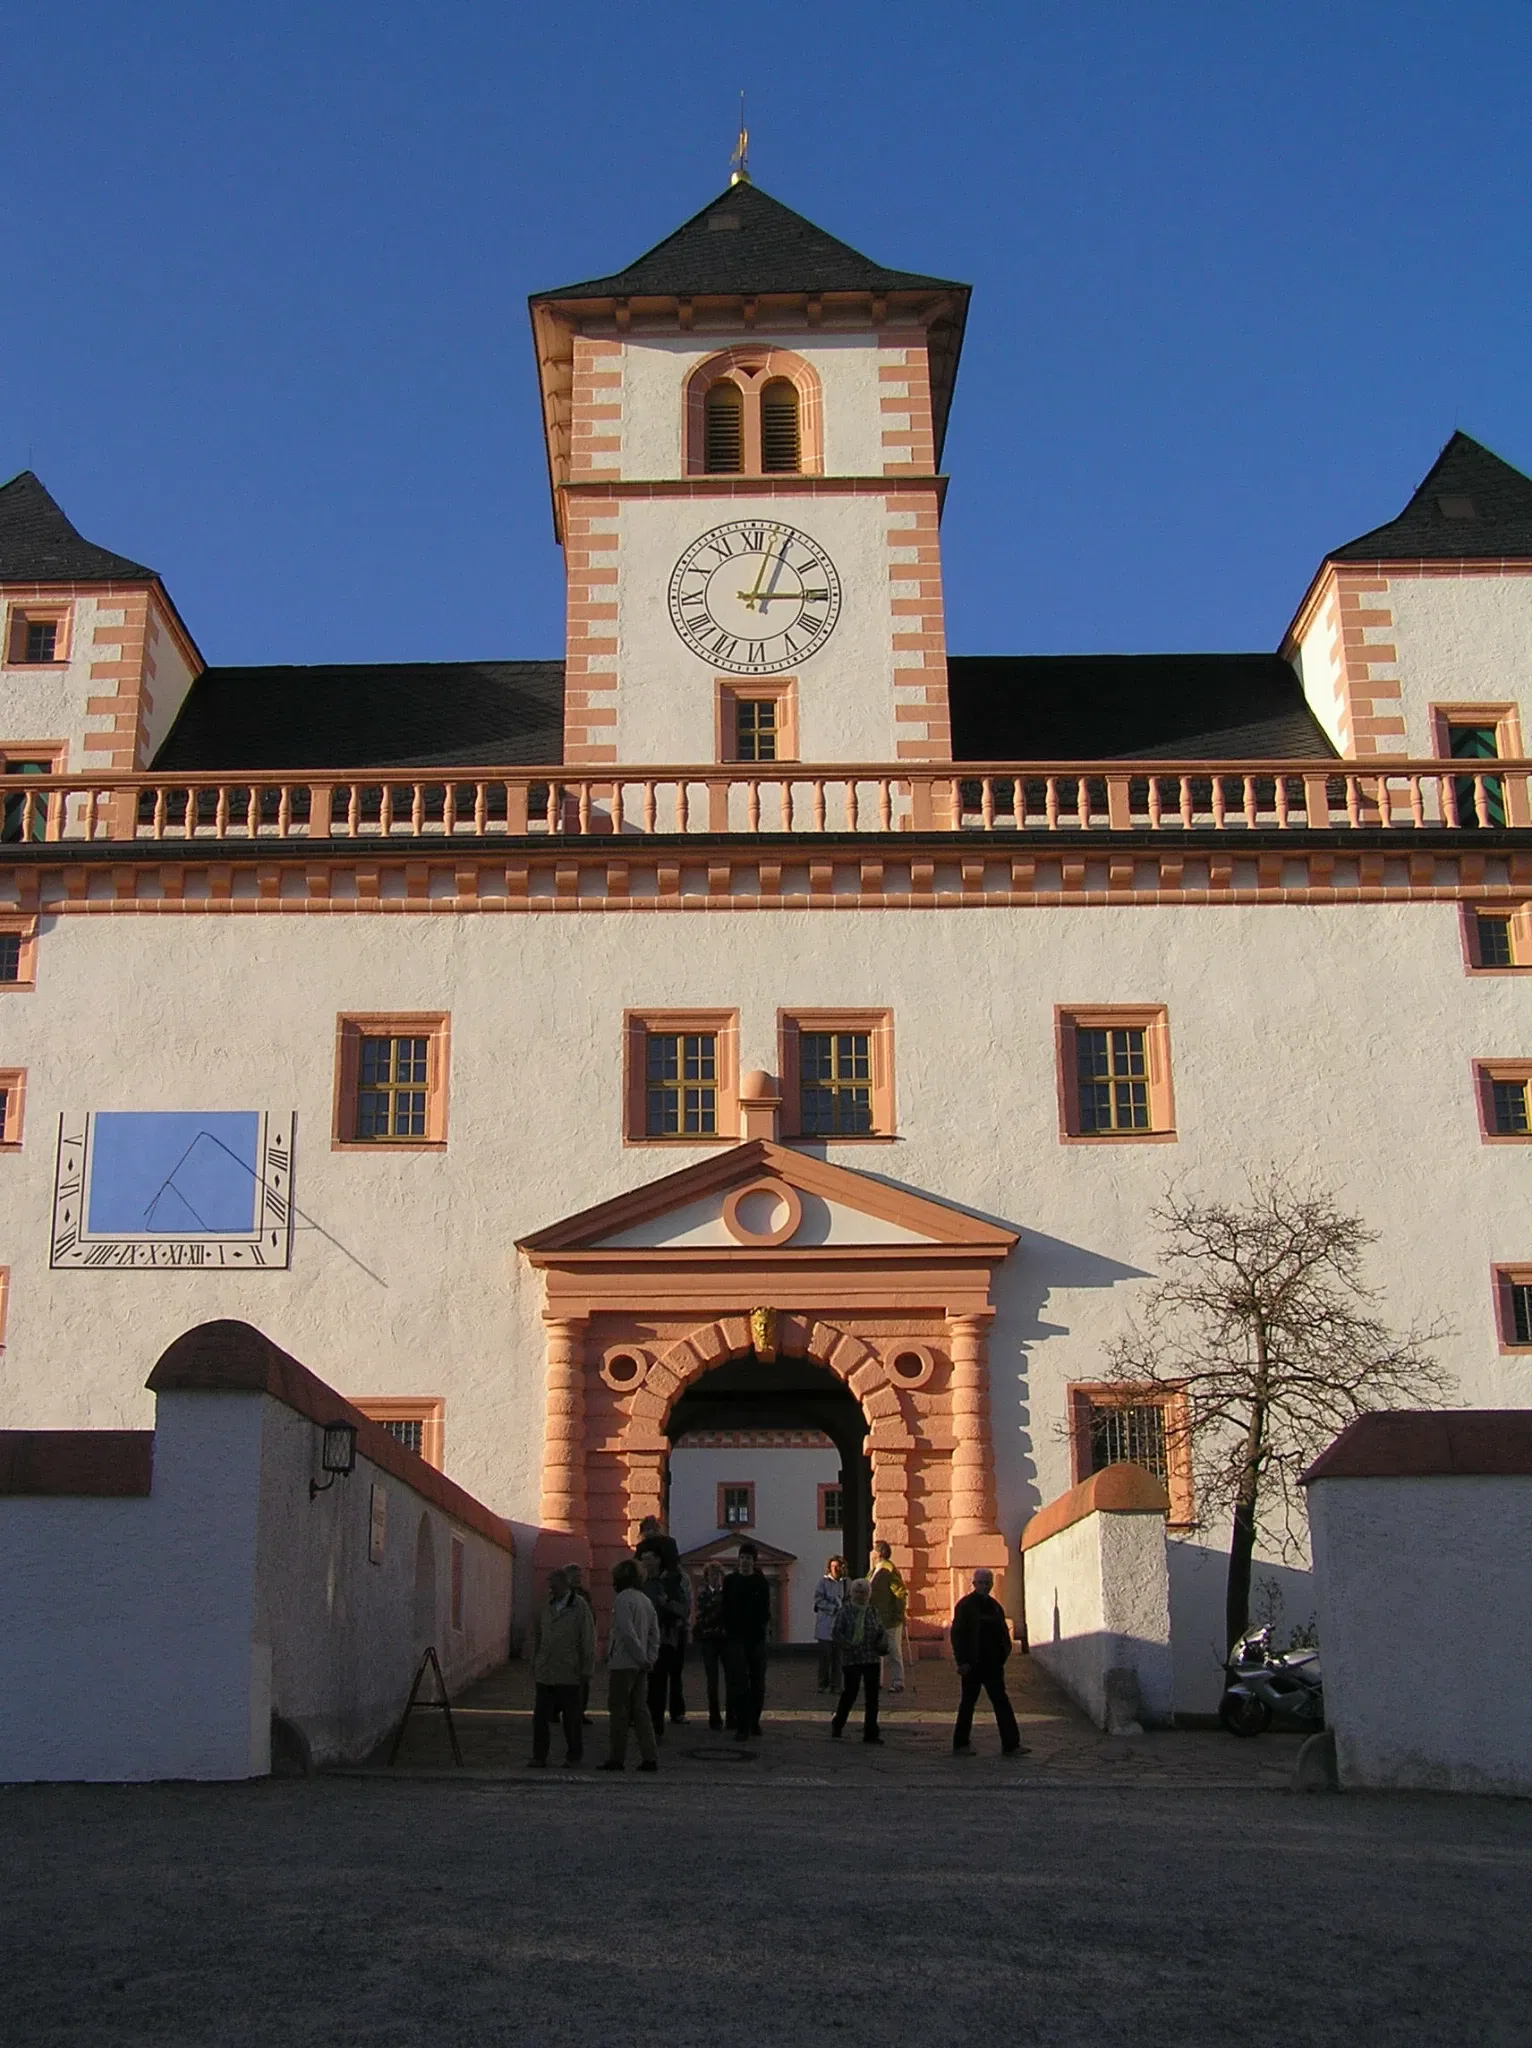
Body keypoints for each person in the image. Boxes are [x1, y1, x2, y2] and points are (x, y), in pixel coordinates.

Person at [949, 1567, 1025, 1757]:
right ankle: (960, 1744)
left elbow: (1003, 1635)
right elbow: (957, 1635)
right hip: (972, 1665)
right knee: (967, 1704)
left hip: (992, 1665)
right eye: (981, 1582)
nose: (984, 1586)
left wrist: (1003, 1656)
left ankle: (1011, 1745)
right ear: (974, 1584)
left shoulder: (995, 1606)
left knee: (1001, 1703)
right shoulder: (965, 1606)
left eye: (987, 1582)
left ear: (991, 1584)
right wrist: (962, 1661)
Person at [527, 1567, 595, 1767]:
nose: (552, 1591)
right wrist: (535, 1660)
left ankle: (574, 1755)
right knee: (540, 1716)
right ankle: (539, 1755)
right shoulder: (546, 1606)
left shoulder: (580, 1607)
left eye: (555, 1587)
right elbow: (539, 1635)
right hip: (546, 1670)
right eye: (550, 1587)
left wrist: (586, 1668)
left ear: (566, 1586)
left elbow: (587, 1639)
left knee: (571, 1718)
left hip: (569, 1670)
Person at [601, 1558, 660, 1772]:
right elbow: (654, 1633)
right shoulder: (645, 1600)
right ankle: (650, 1755)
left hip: (623, 1663)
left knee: (619, 1711)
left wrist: (640, 1657)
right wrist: (649, 1658)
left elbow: (627, 1632)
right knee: (640, 1710)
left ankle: (617, 1757)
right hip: (641, 1664)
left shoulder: (622, 1600)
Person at [720, 1539, 772, 1740]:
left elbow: (765, 1609)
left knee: (758, 1682)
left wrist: (761, 1626)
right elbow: (724, 1607)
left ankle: (754, 1721)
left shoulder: (761, 1582)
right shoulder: (730, 1581)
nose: (744, 1562)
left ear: (754, 1561)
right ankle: (742, 1725)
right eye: (742, 1558)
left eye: (748, 1558)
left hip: (756, 1637)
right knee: (739, 1682)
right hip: (735, 1637)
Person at [829, 1579, 890, 1743]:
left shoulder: (873, 1611)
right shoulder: (845, 1611)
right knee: (850, 1693)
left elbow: (881, 1630)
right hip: (852, 1658)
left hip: (871, 1657)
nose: (861, 1596)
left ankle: (871, 1732)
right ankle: (838, 1724)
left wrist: (883, 1641)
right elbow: (836, 1633)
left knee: (872, 1697)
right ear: (852, 1594)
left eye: (864, 1593)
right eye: (857, 1592)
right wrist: (847, 1646)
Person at [641, 1546, 692, 1735]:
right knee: (649, 1682)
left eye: (647, 1558)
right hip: (645, 1638)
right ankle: (647, 1721)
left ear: (657, 1560)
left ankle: (656, 1726)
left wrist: (667, 1604)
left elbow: (684, 1610)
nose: (644, 1562)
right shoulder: (643, 1582)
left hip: (665, 1638)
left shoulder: (672, 1581)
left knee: (659, 1681)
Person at [868, 1540, 910, 1693]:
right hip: (877, 1617)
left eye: (873, 1550)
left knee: (893, 1650)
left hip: (890, 1618)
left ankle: (898, 1681)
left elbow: (900, 1593)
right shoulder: (874, 1570)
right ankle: (876, 1680)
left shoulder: (889, 1569)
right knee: (876, 1651)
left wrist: (899, 1613)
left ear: (879, 1553)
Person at [692, 1560, 728, 1730]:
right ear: (707, 1578)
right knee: (712, 1680)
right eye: (713, 1575)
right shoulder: (703, 1595)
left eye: (718, 1575)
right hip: (710, 1641)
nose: (716, 1578)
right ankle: (714, 1716)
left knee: (730, 1678)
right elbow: (702, 1619)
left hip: (725, 1640)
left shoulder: (727, 1594)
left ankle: (731, 1714)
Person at [564, 1559, 595, 1725]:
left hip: (581, 1642)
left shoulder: (584, 1594)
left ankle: (579, 1711)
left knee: (583, 1680)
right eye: (574, 1576)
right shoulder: (560, 1595)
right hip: (565, 1643)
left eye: (579, 1576)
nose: (578, 1579)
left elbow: (591, 1616)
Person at [814, 1555, 847, 1692]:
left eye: (838, 1567)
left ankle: (837, 1684)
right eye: (833, 1567)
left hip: (840, 1627)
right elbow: (818, 1600)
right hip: (825, 1626)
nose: (836, 1570)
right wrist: (832, 1608)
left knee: (838, 1659)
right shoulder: (823, 1583)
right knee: (825, 1658)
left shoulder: (846, 1583)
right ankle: (823, 1684)